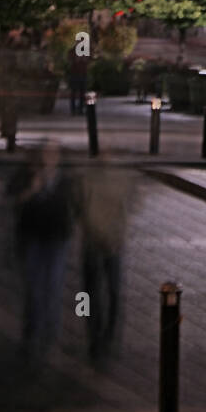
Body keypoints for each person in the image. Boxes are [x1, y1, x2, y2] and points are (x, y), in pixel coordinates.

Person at [7, 142, 76, 363]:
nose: (49, 158)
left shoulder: (65, 180)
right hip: (33, 239)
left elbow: (73, 206)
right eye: (46, 153)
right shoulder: (27, 175)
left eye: (54, 154)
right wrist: (32, 189)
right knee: (34, 290)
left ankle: (50, 336)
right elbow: (13, 200)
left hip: (56, 239)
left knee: (53, 288)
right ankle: (32, 335)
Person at [79, 149, 136, 365]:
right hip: (96, 243)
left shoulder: (116, 180)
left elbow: (128, 207)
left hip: (109, 243)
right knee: (91, 294)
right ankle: (96, 337)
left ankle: (105, 338)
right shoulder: (88, 180)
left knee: (109, 292)